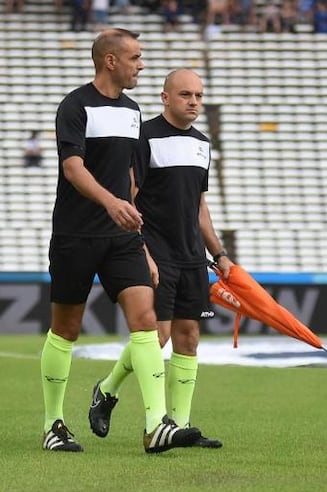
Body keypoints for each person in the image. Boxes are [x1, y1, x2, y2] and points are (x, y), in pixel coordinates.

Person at [41, 28, 201, 454]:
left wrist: (141, 241)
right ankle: (53, 423)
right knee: (66, 328)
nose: (141, 65)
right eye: (135, 58)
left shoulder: (133, 111)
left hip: (123, 236)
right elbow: (72, 169)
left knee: (146, 321)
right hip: (76, 234)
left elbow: (130, 181)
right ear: (110, 61)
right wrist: (111, 203)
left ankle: (155, 427)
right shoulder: (75, 106)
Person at [89, 69, 231, 449]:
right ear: (165, 97)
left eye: (199, 95)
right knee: (159, 335)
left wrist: (218, 253)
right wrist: (142, 251)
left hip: (191, 256)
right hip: (156, 250)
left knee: (189, 337)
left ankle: (180, 426)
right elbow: (130, 197)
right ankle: (107, 389)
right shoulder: (144, 136)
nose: (194, 102)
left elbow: (200, 205)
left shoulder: (202, 143)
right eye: (186, 94)